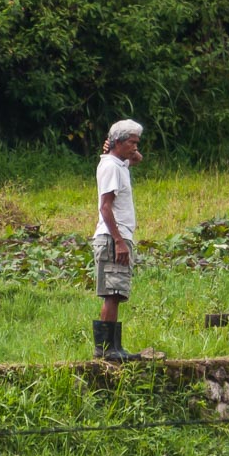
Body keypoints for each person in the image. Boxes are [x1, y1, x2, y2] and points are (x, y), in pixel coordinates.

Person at [92, 119, 143, 360]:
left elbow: (136, 159)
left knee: (116, 292)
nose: (135, 147)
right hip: (113, 238)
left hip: (118, 237)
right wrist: (119, 241)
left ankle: (112, 347)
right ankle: (106, 349)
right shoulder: (112, 166)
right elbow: (105, 208)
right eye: (132, 142)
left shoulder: (119, 163)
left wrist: (131, 154)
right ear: (119, 142)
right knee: (112, 293)